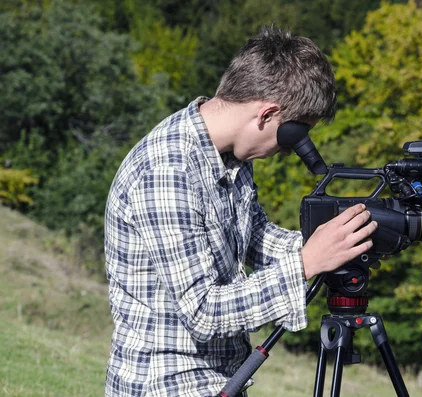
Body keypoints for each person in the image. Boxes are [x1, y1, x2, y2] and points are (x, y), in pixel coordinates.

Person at [104, 26, 378, 397]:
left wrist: (335, 244)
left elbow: (256, 235)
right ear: (267, 114)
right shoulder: (167, 170)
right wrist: (305, 264)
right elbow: (203, 311)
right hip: (168, 384)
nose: (284, 151)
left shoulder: (230, 155)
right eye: (289, 139)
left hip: (223, 380)